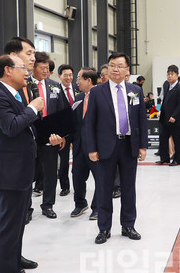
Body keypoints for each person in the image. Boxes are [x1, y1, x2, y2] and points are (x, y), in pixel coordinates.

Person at [0, 55, 44, 273]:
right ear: (8, 70)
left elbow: (25, 127)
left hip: (19, 169)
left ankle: (13, 270)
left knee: (17, 225)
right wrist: (32, 108)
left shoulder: (11, 92)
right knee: (7, 227)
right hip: (7, 171)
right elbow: (11, 126)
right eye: (23, 67)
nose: (27, 71)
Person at [85, 53, 148, 244]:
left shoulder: (135, 90)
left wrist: (143, 145)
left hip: (129, 145)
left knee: (129, 188)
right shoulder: (97, 92)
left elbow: (141, 120)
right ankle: (104, 228)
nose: (115, 69)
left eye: (120, 66)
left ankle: (128, 225)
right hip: (106, 147)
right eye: (112, 65)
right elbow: (90, 123)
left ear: (127, 69)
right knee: (104, 188)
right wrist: (92, 148)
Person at [30, 52, 69, 219]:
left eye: (48, 68)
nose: (46, 71)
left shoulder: (54, 86)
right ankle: (25, 208)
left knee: (50, 172)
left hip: (50, 136)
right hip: (29, 136)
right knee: (28, 173)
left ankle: (48, 205)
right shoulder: (24, 85)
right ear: (33, 67)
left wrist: (62, 135)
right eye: (43, 68)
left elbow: (63, 112)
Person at [67, 68, 99, 219]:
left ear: (89, 81)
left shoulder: (101, 97)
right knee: (77, 176)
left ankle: (98, 207)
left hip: (96, 146)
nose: (76, 82)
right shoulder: (79, 97)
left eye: (79, 78)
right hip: (79, 146)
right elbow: (73, 121)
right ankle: (80, 203)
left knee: (100, 178)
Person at [156, 65, 180, 166]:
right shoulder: (166, 86)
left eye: (172, 74)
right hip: (164, 118)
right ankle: (165, 158)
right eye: (168, 74)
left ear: (177, 76)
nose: (169, 76)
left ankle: (177, 160)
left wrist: (174, 116)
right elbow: (162, 100)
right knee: (163, 139)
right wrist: (158, 110)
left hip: (174, 119)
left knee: (177, 140)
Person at [57, 64, 77, 196]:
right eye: (65, 75)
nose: (68, 77)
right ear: (60, 76)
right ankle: (65, 186)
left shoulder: (77, 89)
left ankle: (79, 183)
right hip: (63, 131)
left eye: (70, 75)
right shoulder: (55, 90)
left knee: (79, 157)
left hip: (77, 130)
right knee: (63, 160)